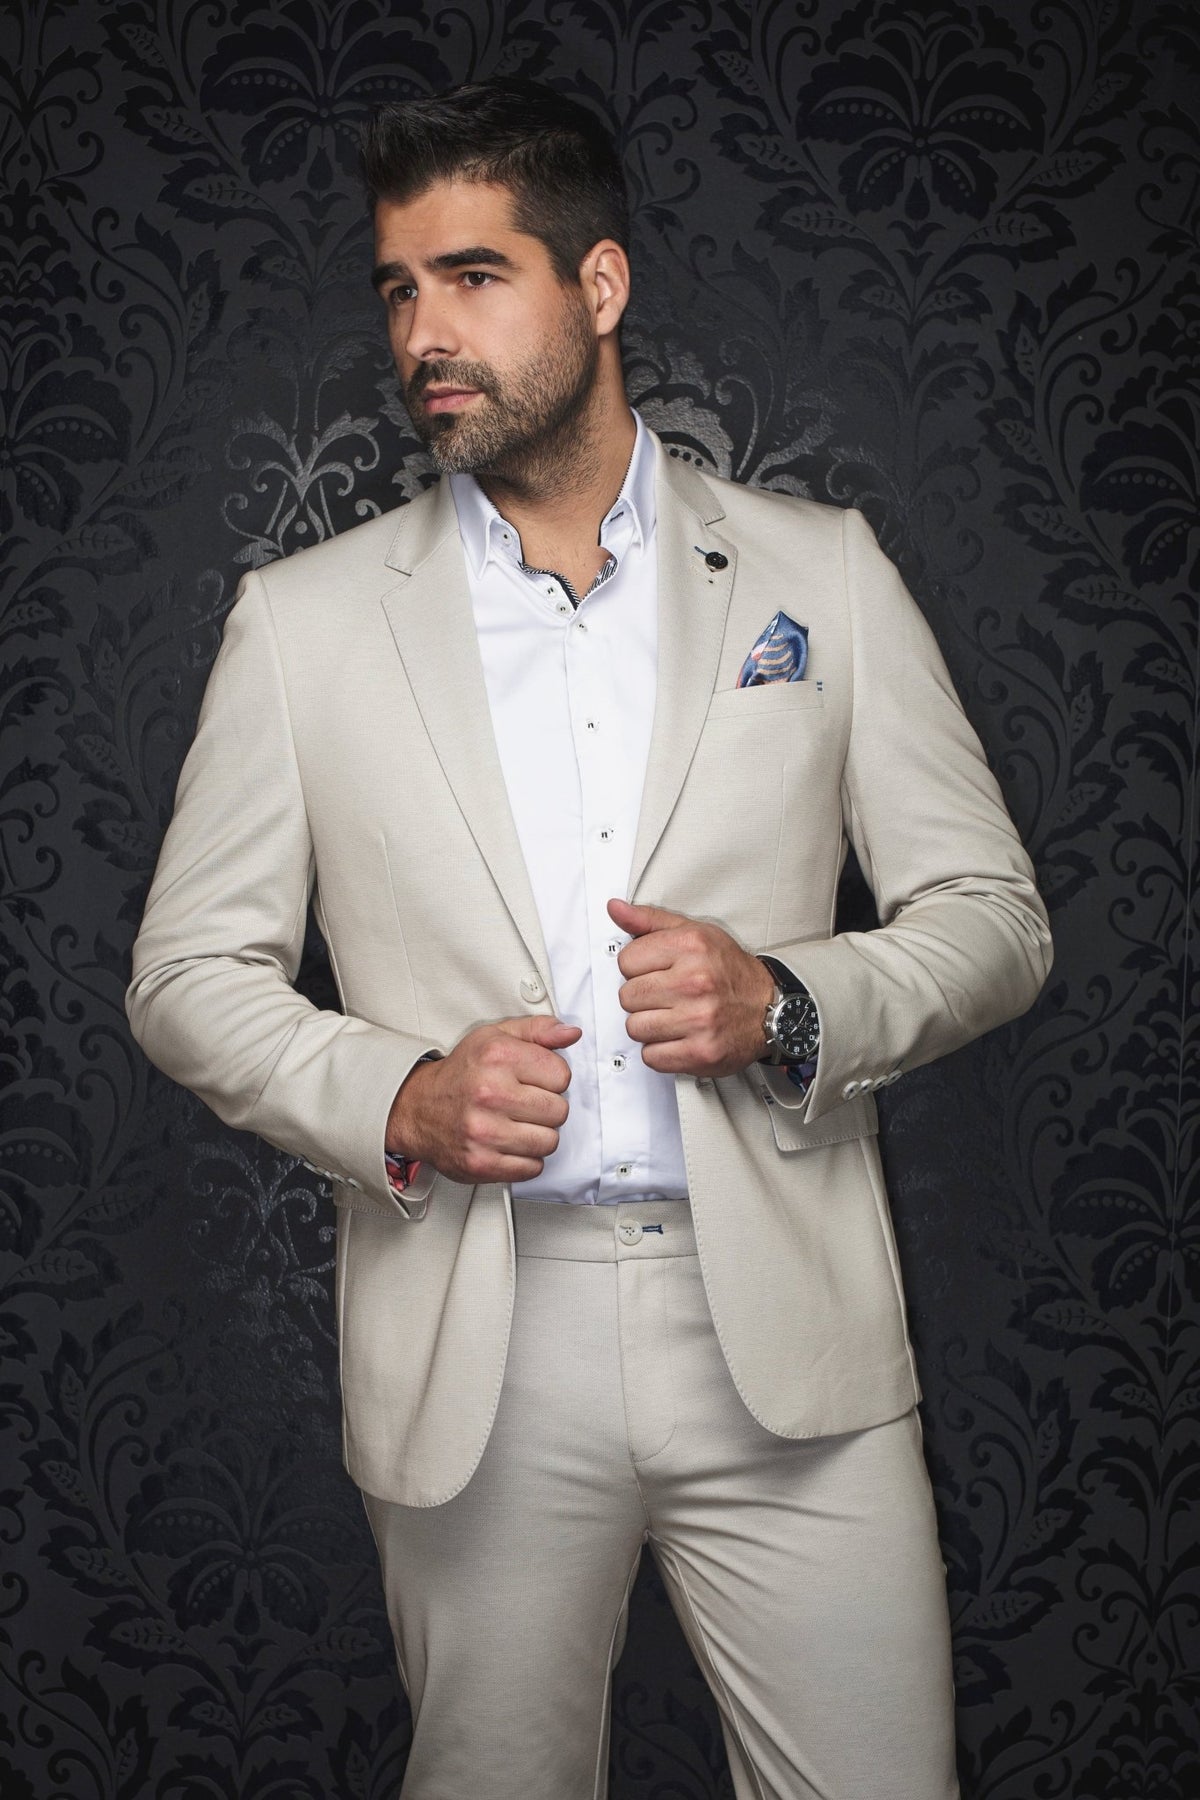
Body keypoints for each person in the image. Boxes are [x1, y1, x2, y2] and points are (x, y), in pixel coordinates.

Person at [125, 77, 1052, 1800]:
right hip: (482, 1350)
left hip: (794, 1335)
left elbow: (996, 921)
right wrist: (401, 1093)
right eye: (399, 288)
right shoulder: (301, 627)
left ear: (600, 285)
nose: (424, 333)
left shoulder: (824, 576)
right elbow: (185, 978)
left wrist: (788, 1002)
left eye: (474, 277)